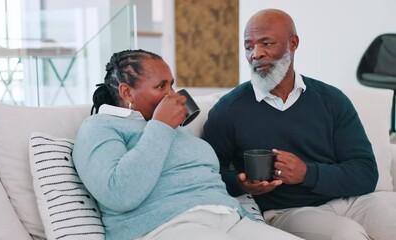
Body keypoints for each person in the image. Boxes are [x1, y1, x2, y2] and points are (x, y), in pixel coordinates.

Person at [202, 8, 396, 240]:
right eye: (249, 46)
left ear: (293, 43)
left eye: (266, 43)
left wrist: (306, 173)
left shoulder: (331, 100)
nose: (256, 54)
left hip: (353, 200)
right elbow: (208, 173)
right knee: (346, 234)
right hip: (289, 211)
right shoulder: (228, 109)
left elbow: (365, 173)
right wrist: (243, 185)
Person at [72, 49, 302, 240]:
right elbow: (119, 194)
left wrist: (248, 216)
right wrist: (160, 126)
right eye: (161, 87)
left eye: (172, 85)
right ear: (126, 92)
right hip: (165, 227)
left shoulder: (175, 129)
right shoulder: (100, 126)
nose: (172, 95)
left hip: (229, 219)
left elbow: (206, 183)